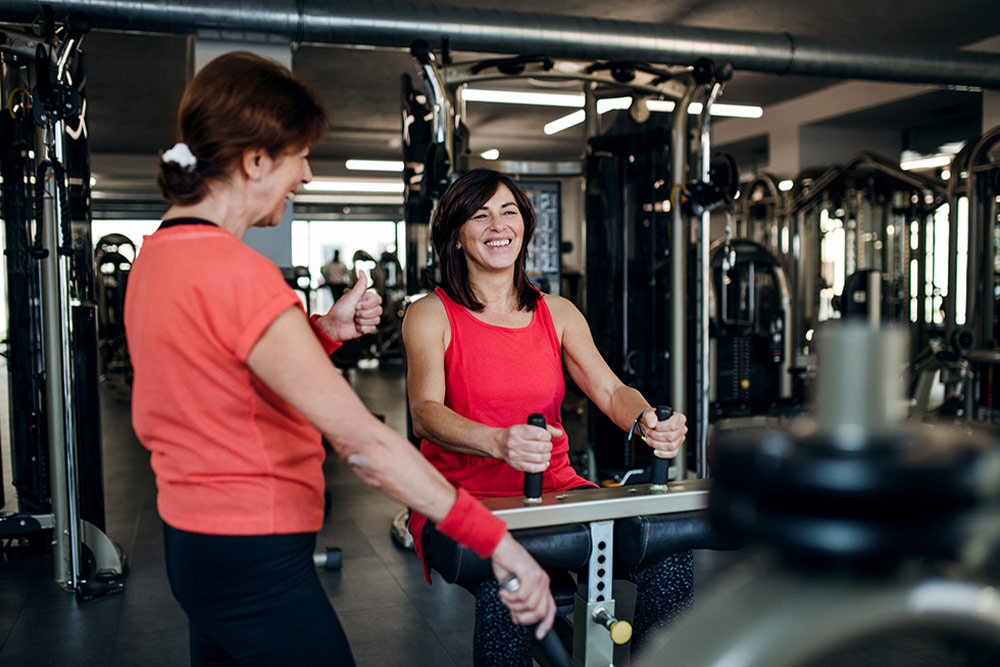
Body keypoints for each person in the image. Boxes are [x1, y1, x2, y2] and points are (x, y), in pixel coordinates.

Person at [123, 53, 555, 667]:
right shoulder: (238, 274)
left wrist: (320, 332)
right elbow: (365, 445)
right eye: (298, 155)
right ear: (255, 161)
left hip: (195, 544)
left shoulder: (160, 255)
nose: (304, 175)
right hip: (256, 552)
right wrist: (497, 542)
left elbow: (224, 379)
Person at [403, 168, 693, 666]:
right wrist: (498, 442)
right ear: (455, 236)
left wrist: (646, 419)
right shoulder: (430, 314)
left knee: (669, 559)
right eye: (480, 214)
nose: (499, 225)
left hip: (558, 491)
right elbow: (425, 414)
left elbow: (609, 388)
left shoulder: (555, 311)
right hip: (467, 498)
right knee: (508, 584)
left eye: (509, 211)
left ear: (525, 225)